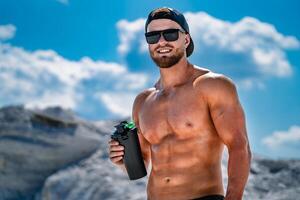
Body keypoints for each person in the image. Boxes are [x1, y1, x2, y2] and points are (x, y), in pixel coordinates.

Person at [108, 7, 251, 200]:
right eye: (153, 37)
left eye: (170, 34)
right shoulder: (142, 101)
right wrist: (122, 160)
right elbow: (143, 161)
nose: (161, 42)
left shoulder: (212, 85)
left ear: (186, 39)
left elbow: (239, 146)